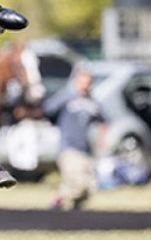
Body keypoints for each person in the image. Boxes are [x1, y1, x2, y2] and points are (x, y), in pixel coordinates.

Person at [43, 67, 106, 210]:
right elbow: (47, 110)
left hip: (86, 150)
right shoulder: (66, 98)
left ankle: (75, 218)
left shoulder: (93, 102)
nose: (86, 84)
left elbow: (103, 122)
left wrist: (103, 140)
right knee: (77, 183)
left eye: (88, 81)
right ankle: (57, 201)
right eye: (83, 80)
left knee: (88, 189)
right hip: (69, 148)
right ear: (76, 80)